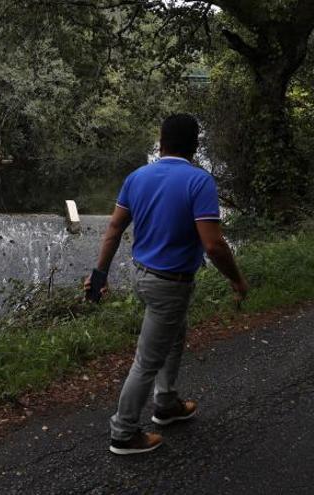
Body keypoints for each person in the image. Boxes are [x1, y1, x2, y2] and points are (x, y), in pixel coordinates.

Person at [85, 113, 248, 455]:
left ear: (161, 142)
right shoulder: (199, 182)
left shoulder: (137, 177)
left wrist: (99, 274)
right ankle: (123, 432)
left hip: (142, 276)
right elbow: (214, 245)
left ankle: (166, 403)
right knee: (147, 360)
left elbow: (114, 228)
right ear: (195, 146)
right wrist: (236, 279)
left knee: (174, 339)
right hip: (169, 284)